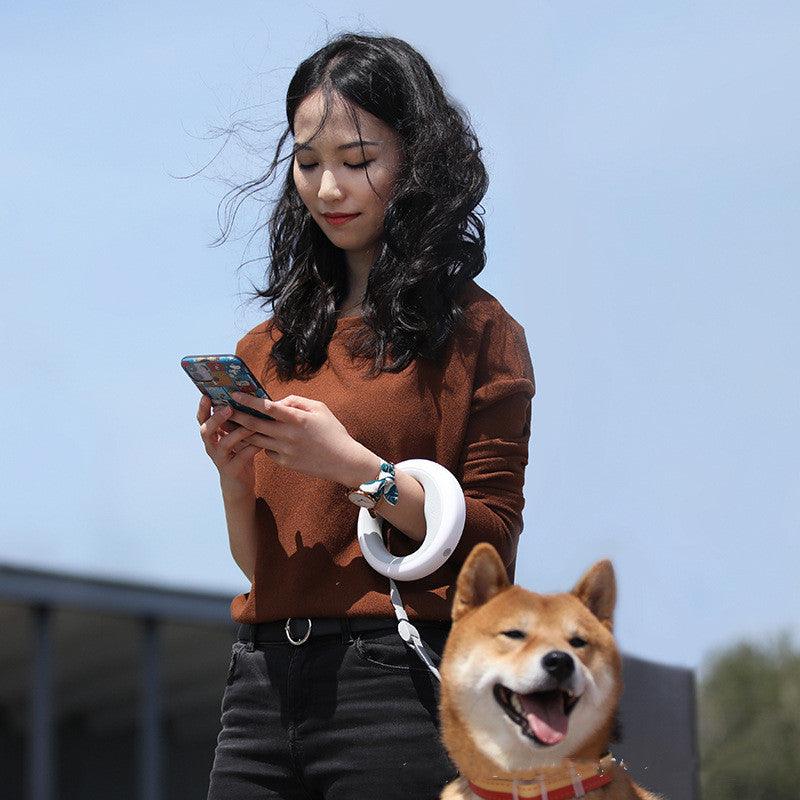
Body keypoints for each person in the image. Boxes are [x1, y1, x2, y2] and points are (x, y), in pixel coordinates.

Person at [197, 32, 536, 800]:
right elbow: (264, 569)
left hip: (394, 688)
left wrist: (352, 467)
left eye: (357, 161)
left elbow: (492, 543)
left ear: (416, 161)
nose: (328, 189)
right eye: (308, 162)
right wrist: (232, 474)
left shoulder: (480, 334)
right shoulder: (267, 345)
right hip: (258, 686)